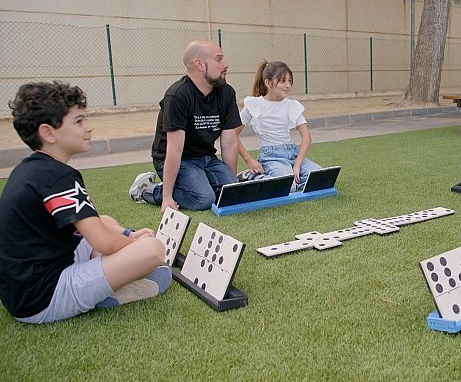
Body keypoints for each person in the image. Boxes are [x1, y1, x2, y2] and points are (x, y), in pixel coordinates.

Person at [0, 82, 171, 324]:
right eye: (79, 122)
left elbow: (97, 229)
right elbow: (106, 243)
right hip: (43, 297)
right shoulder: (59, 176)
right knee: (153, 251)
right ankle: (110, 295)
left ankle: (108, 273)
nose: (88, 128)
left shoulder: (32, 169)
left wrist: (127, 237)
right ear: (48, 133)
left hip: (23, 290)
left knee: (105, 221)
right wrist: (135, 241)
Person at [129, 41, 254, 212]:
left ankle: (199, 184)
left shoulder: (226, 93)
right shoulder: (177, 95)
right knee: (203, 199)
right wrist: (166, 198)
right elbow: (174, 149)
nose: (225, 65)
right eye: (219, 60)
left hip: (207, 158)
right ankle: (148, 190)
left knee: (224, 193)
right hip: (178, 160)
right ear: (199, 64)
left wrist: (231, 188)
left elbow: (229, 142)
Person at [236, 60, 322, 191]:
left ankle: (291, 179)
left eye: (290, 81)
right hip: (271, 157)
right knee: (289, 187)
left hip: (293, 153)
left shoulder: (292, 105)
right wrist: (249, 160)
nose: (288, 85)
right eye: (282, 81)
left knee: (320, 177)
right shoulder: (254, 105)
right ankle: (252, 176)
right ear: (268, 83)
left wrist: (297, 165)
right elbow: (233, 134)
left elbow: (307, 137)